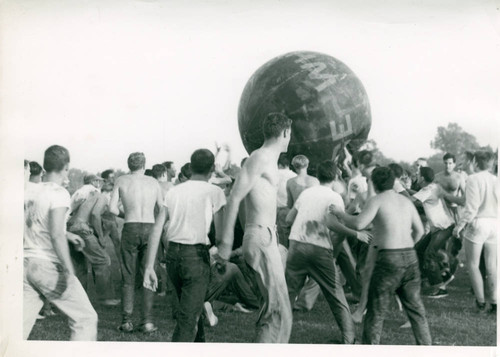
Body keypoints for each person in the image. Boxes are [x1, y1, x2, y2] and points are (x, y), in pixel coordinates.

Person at [330, 167, 431, 345]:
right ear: (393, 182)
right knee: (416, 311)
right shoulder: (405, 201)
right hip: (410, 257)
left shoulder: (377, 200)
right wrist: (406, 248)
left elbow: (359, 223)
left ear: (374, 183)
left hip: (389, 259)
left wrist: (340, 213)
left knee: (376, 311)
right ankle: (426, 348)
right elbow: (420, 231)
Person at [216, 112, 294, 343]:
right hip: (261, 235)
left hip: (264, 235)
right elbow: (234, 198)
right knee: (277, 312)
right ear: (285, 132)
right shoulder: (260, 157)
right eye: (290, 135)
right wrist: (226, 243)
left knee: (276, 311)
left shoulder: (266, 159)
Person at [143, 149, 226, 342]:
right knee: (188, 320)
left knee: (191, 311)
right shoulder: (215, 192)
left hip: (173, 255)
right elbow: (221, 236)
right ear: (212, 169)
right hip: (196, 257)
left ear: (192, 166)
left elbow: (156, 229)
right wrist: (220, 257)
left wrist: (149, 266)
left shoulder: (174, 191)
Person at [286, 160, 372, 344]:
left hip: (296, 245)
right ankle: (349, 340)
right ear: (335, 177)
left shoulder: (306, 193)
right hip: (318, 248)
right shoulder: (334, 197)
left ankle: (276, 338)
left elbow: (288, 218)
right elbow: (332, 223)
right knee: (336, 296)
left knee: (288, 295)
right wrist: (355, 233)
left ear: (317, 175)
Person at [24, 145, 97, 340]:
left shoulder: (29, 191)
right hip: (45, 265)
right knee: (86, 318)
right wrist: (69, 270)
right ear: (66, 167)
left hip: (24, 264)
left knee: (18, 326)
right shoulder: (59, 193)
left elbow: (39, 225)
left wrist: (68, 235)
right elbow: (55, 234)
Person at [109, 152, 163, 333]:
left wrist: (127, 215)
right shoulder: (153, 182)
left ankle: (126, 321)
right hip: (150, 227)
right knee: (148, 273)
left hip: (130, 227)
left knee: (128, 276)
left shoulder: (121, 180)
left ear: (128, 164)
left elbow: (112, 209)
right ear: (144, 165)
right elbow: (162, 209)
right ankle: (147, 322)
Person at [453, 151, 498, 313]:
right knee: (492, 265)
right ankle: (494, 303)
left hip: (479, 222)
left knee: (473, 264)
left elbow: (472, 207)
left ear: (476, 163)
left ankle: (480, 303)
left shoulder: (473, 179)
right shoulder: (496, 179)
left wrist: (459, 225)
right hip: (495, 224)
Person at [67, 183, 120, 306]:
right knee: (102, 260)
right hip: (81, 228)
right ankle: (105, 298)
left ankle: (78, 300)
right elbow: (95, 214)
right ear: (112, 193)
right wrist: (101, 237)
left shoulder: (92, 197)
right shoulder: (103, 197)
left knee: (80, 266)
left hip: (71, 228)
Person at [413, 167, 456, 298]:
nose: (416, 176)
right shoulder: (434, 187)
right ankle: (441, 275)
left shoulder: (425, 191)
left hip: (442, 228)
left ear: (421, 178)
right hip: (443, 227)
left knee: (429, 254)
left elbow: (410, 200)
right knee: (419, 250)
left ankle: (440, 287)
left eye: (417, 174)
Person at [434, 153, 466, 223]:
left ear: (454, 164)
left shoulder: (459, 177)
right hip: (441, 209)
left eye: (450, 163)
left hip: (455, 209)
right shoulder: (437, 177)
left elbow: (465, 196)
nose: (447, 166)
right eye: (445, 163)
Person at [276, 153, 296, 248]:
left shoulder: (274, 174)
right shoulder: (294, 176)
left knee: (278, 236)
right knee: (288, 235)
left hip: (275, 210)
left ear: (279, 164)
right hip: (288, 210)